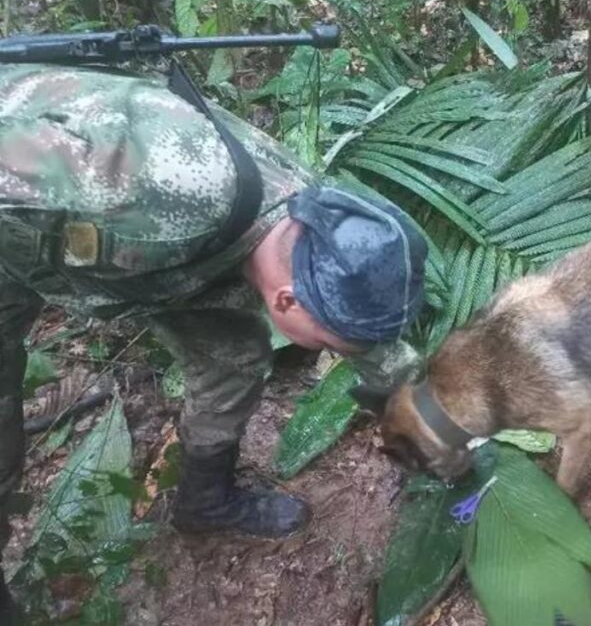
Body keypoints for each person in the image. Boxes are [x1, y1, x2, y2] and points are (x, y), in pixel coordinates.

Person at [0, 63, 427, 621]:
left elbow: (362, 329)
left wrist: (429, 408)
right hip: (19, 224)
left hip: (134, 256)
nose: (342, 353)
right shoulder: (146, 196)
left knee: (233, 356)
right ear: (286, 303)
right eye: (334, 346)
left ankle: (205, 501)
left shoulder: (310, 222)